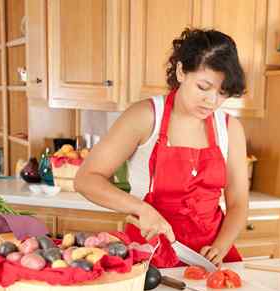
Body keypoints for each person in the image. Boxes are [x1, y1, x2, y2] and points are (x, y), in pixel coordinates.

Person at [75, 28, 249, 266]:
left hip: (211, 257)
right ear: (180, 72)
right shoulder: (145, 117)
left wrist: (220, 247)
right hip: (150, 254)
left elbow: (238, 202)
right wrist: (142, 210)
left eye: (222, 93)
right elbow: (86, 179)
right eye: (203, 87)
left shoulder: (230, 129)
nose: (211, 101)